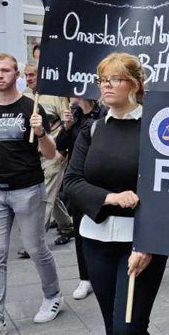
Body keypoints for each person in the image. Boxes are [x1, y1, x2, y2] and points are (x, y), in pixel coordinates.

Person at [62, 53, 166, 335]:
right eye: (102, 78)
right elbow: (72, 181)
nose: (106, 85)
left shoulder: (155, 127)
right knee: (113, 328)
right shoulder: (92, 128)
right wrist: (111, 198)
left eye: (116, 79)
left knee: (129, 327)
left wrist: (147, 243)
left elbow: (164, 188)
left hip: (140, 244)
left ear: (135, 84)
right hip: (96, 241)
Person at [0, 53, 63, 335]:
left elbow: (51, 153)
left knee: (36, 248)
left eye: (5, 70)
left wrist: (41, 132)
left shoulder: (30, 108)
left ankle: (53, 295)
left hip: (28, 189)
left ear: (16, 74)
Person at [24, 64, 72, 248]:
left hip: (54, 152)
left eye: (32, 75)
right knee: (51, 194)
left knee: (44, 198)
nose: (29, 78)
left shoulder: (56, 95)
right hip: (34, 154)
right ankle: (67, 226)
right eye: (26, 75)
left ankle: (35, 241)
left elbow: (67, 125)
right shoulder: (25, 96)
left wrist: (62, 150)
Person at [57, 96, 99, 299]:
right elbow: (60, 146)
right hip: (78, 180)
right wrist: (66, 127)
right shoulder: (73, 115)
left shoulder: (102, 113)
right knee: (80, 230)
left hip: (100, 179)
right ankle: (85, 278)